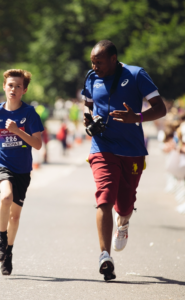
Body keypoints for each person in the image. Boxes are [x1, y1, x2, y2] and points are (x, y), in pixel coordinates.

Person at [82, 40, 166, 281]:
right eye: (92, 61)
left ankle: (124, 222)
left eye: (98, 62)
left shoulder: (136, 74)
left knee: (126, 202)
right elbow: (87, 106)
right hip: (102, 146)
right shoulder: (90, 77)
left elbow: (161, 109)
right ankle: (104, 256)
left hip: (132, 150)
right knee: (104, 196)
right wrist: (89, 120)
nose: (94, 66)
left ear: (113, 58)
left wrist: (136, 117)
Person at [0, 69, 44, 276]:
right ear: (4, 87)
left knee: (15, 217)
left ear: (24, 90)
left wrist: (17, 130)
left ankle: (8, 252)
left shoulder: (29, 114)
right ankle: (1, 238)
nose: (13, 89)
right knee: (5, 196)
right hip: (0, 161)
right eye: (10, 85)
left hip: (22, 168)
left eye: (18, 86)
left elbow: (38, 144)